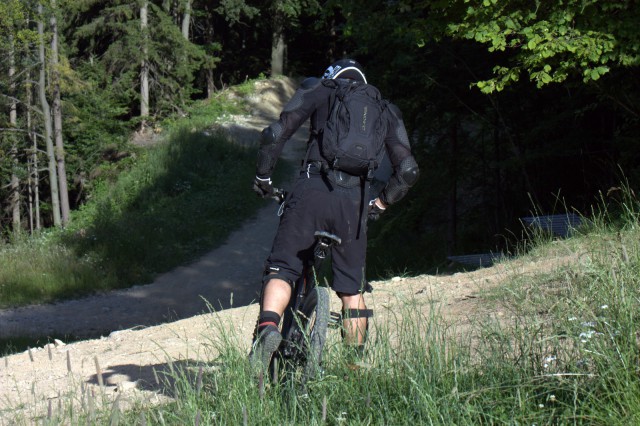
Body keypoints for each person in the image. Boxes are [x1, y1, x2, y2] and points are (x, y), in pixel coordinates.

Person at [249, 58, 420, 372]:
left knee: (283, 268)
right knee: (352, 292)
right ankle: (355, 367)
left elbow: (275, 134)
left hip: (312, 191)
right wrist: (379, 204)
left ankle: (268, 329)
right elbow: (408, 170)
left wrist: (263, 177)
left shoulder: (321, 89)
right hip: (353, 204)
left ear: (333, 77)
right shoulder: (385, 110)